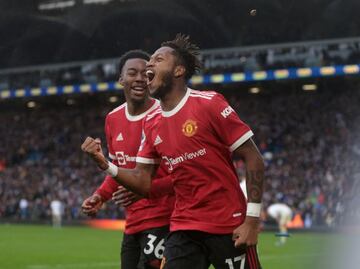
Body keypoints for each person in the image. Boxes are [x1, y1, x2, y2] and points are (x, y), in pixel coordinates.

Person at [81, 34, 265, 269]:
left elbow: (253, 158)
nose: (149, 65)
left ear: (178, 71)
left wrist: (251, 220)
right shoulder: (152, 122)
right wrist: (105, 163)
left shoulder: (209, 104)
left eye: (158, 60)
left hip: (228, 224)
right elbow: (142, 181)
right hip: (183, 226)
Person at [81, 50, 175, 269]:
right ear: (121, 79)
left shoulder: (165, 115)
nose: (140, 78)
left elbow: (183, 175)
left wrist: (146, 188)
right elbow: (119, 170)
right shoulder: (113, 119)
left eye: (146, 73)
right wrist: (99, 196)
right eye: (132, 73)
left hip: (165, 220)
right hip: (132, 225)